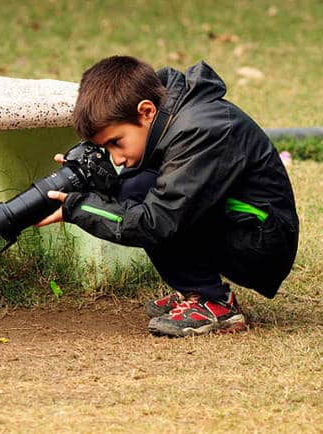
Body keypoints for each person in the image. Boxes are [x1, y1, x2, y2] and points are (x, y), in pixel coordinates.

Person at [37, 56, 299, 337]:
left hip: (262, 241)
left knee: (144, 199)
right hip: (242, 223)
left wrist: (79, 208)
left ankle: (213, 302)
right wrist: (100, 181)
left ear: (146, 111)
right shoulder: (174, 115)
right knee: (134, 186)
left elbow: (157, 220)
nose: (117, 157)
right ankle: (194, 289)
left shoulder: (201, 129)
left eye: (116, 142)